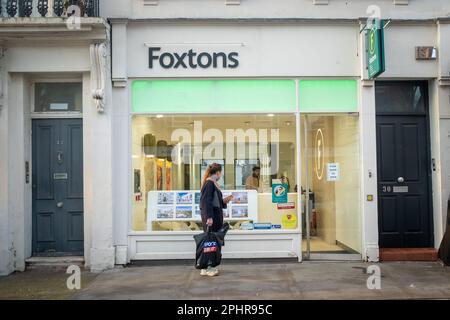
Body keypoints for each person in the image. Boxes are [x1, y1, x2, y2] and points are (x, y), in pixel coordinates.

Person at [199, 163, 233, 277]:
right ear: (218, 173)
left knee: (210, 242)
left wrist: (225, 201)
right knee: (212, 243)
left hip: (213, 217)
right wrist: (209, 217)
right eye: (221, 173)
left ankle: (205, 267)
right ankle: (210, 267)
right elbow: (206, 202)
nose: (221, 175)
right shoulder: (209, 183)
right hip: (212, 219)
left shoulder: (211, 183)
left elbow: (214, 201)